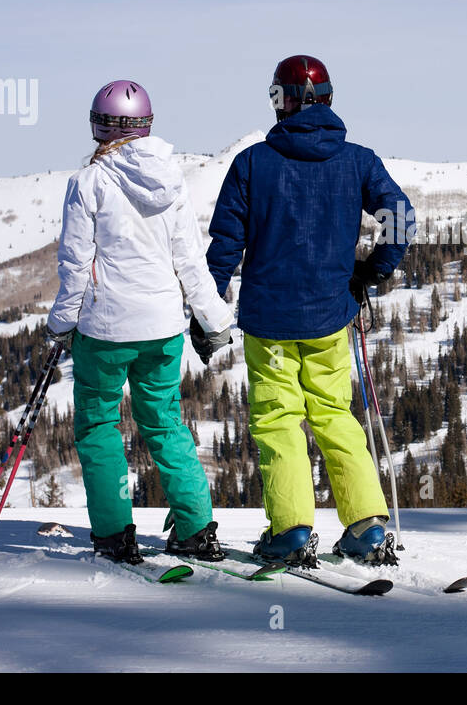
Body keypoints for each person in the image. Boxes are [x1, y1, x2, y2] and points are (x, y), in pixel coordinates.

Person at [200, 55, 414, 566]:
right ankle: (366, 525)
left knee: (279, 421)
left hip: (269, 324)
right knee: (335, 416)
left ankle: (292, 530)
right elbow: (401, 217)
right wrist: (374, 271)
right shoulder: (358, 161)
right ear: (330, 98)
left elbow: (225, 245)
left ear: (284, 101)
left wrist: (207, 309)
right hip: (328, 320)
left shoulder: (253, 163)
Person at [46, 80, 234, 566]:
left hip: (105, 331)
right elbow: (190, 260)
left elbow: (74, 263)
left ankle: (114, 532)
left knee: (99, 426)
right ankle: (194, 528)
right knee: (166, 423)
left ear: (98, 125)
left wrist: (62, 323)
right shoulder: (171, 180)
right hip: (163, 328)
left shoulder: (88, 183)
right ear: (146, 124)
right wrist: (214, 319)